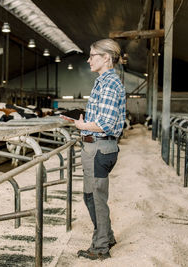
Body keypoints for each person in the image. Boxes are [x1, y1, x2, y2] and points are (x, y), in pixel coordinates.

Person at [70, 38, 126, 260]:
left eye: (92, 55)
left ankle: (101, 247)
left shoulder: (110, 84)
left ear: (106, 57)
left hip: (99, 149)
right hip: (98, 147)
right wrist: (84, 119)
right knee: (91, 196)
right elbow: (101, 117)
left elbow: (106, 124)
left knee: (95, 197)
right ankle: (107, 236)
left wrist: (83, 126)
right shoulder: (103, 82)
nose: (88, 59)